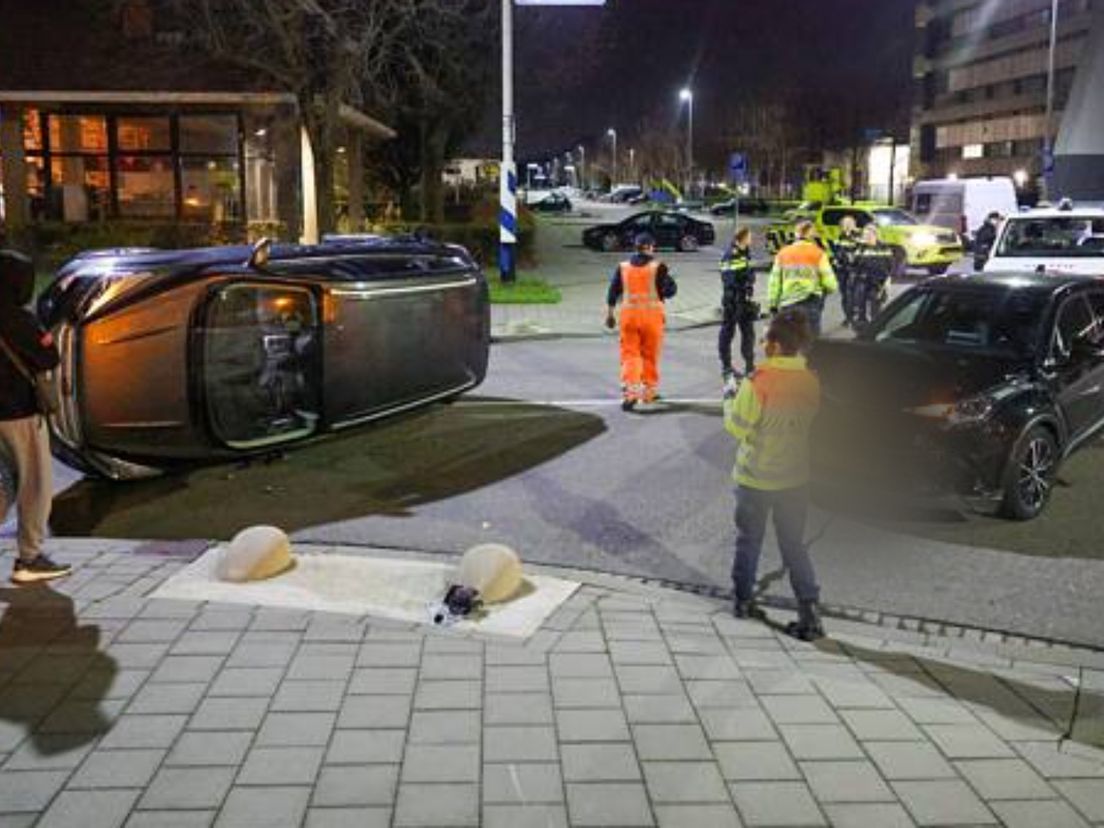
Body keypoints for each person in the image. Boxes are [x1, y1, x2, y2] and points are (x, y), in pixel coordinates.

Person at [723, 309, 823, 640]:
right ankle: (809, 612)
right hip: (794, 478)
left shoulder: (758, 382)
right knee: (793, 544)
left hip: (755, 477)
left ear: (778, 346)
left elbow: (737, 428)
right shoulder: (811, 380)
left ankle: (742, 600)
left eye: (766, 338)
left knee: (748, 540)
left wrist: (729, 399)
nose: (763, 342)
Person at [0, 250, 70, 585]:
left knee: (4, 483)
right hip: (19, 412)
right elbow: (48, 356)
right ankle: (29, 557)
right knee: (35, 484)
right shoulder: (16, 319)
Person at [605, 233, 677, 411]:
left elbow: (613, 291)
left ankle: (631, 392)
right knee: (649, 355)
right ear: (650, 247)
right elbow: (670, 291)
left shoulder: (623, 267)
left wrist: (610, 314)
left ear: (635, 247)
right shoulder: (658, 267)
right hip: (651, 318)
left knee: (630, 355)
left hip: (629, 317)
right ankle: (648, 392)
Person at [767, 220, 838, 337]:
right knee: (812, 340)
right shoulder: (818, 253)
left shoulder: (783, 253)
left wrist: (773, 304)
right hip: (811, 302)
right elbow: (830, 283)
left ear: (796, 234)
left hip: (788, 303)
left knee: (791, 339)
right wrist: (826, 290)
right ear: (811, 235)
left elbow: (774, 281)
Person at [718, 227, 758, 391]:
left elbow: (749, 275)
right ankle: (727, 367)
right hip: (733, 301)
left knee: (748, 334)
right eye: (749, 237)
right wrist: (746, 281)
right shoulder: (731, 255)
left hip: (744, 299)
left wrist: (748, 281)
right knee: (728, 334)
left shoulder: (744, 253)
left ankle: (750, 366)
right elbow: (730, 279)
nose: (751, 239)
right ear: (741, 238)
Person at [850, 225, 895, 329]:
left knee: (876, 307)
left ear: (875, 235)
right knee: (860, 306)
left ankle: (876, 328)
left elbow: (890, 265)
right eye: (865, 235)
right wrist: (858, 249)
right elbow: (854, 264)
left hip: (878, 282)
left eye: (869, 235)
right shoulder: (860, 248)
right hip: (862, 281)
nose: (867, 237)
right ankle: (861, 328)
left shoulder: (884, 247)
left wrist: (888, 280)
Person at [829, 216, 861, 327]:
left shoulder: (858, 236)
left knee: (853, 294)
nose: (846, 226)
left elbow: (861, 251)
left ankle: (856, 315)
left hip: (854, 270)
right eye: (844, 224)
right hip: (842, 271)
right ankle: (848, 317)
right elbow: (837, 252)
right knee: (845, 296)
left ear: (853, 224)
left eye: (848, 223)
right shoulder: (840, 237)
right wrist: (835, 260)